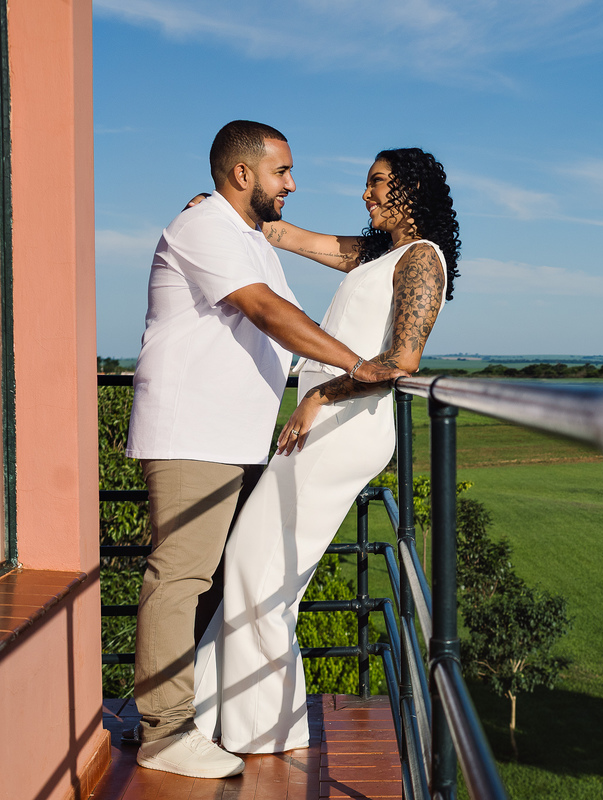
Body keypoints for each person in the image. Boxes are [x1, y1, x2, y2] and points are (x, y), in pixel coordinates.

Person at [126, 121, 403, 779]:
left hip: (233, 436)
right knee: (181, 577)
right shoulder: (205, 228)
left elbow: (289, 300)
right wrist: (357, 365)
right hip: (193, 432)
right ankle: (165, 733)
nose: (293, 183)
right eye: (283, 171)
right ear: (243, 174)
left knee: (215, 581)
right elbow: (267, 312)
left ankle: (187, 713)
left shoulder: (246, 235)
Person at [191, 147, 460, 754]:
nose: (366, 193)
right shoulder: (378, 254)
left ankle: (263, 731)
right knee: (257, 566)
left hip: (344, 427)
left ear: (412, 190)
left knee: (258, 567)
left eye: (378, 182)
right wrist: (217, 209)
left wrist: (319, 395)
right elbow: (285, 233)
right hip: (325, 427)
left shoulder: (421, 258)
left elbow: (401, 360)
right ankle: (206, 715)